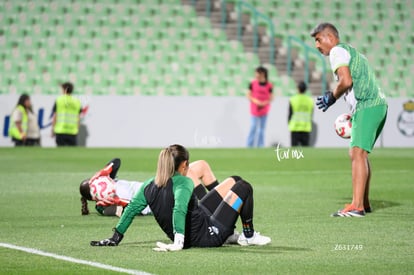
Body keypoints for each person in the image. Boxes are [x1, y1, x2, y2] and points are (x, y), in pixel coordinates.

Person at [90, 144, 271, 249]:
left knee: (234, 181)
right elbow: (179, 209)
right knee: (244, 187)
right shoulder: (184, 183)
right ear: (184, 164)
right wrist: (179, 241)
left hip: (199, 222)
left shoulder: (148, 185)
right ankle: (248, 235)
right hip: (207, 236)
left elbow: (130, 210)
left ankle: (231, 234)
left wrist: (116, 237)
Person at [311, 23, 388, 217]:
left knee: (356, 153)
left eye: (319, 39)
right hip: (378, 105)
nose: (317, 45)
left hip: (368, 104)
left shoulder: (337, 51)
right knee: (360, 154)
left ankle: (356, 206)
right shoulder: (353, 52)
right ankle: (364, 202)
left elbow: (346, 81)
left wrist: (331, 97)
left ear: (330, 37)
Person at [246, 66, 274, 148]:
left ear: (263, 74)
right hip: (255, 109)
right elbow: (248, 95)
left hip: (264, 109)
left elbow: (271, 97)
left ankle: (260, 145)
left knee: (261, 129)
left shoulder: (269, 85)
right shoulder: (253, 83)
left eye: (258, 73)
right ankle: (249, 145)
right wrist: (256, 101)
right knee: (253, 126)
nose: (256, 75)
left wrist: (265, 102)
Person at [51, 82, 81, 146]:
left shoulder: (59, 100)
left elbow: (55, 116)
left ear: (64, 89)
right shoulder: (76, 101)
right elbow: (78, 118)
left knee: (60, 153)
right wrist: (77, 129)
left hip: (60, 131)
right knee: (72, 154)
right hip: (72, 131)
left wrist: (52, 129)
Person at [288, 81, 314, 146]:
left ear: (298, 89)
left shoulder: (293, 99)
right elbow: (311, 114)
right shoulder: (310, 100)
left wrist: (289, 123)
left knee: (294, 151)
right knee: (305, 152)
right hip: (306, 127)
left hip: (295, 127)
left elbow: (290, 114)